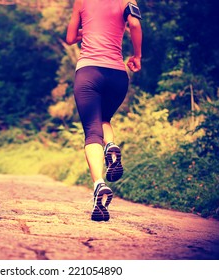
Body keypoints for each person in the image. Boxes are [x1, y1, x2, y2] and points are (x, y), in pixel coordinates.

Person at [66, 0, 142, 221]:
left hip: (88, 73)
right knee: (104, 119)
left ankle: (99, 184)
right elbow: (135, 25)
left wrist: (87, 32)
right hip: (117, 76)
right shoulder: (128, 0)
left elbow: (70, 38)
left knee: (92, 131)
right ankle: (111, 146)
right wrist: (137, 56)